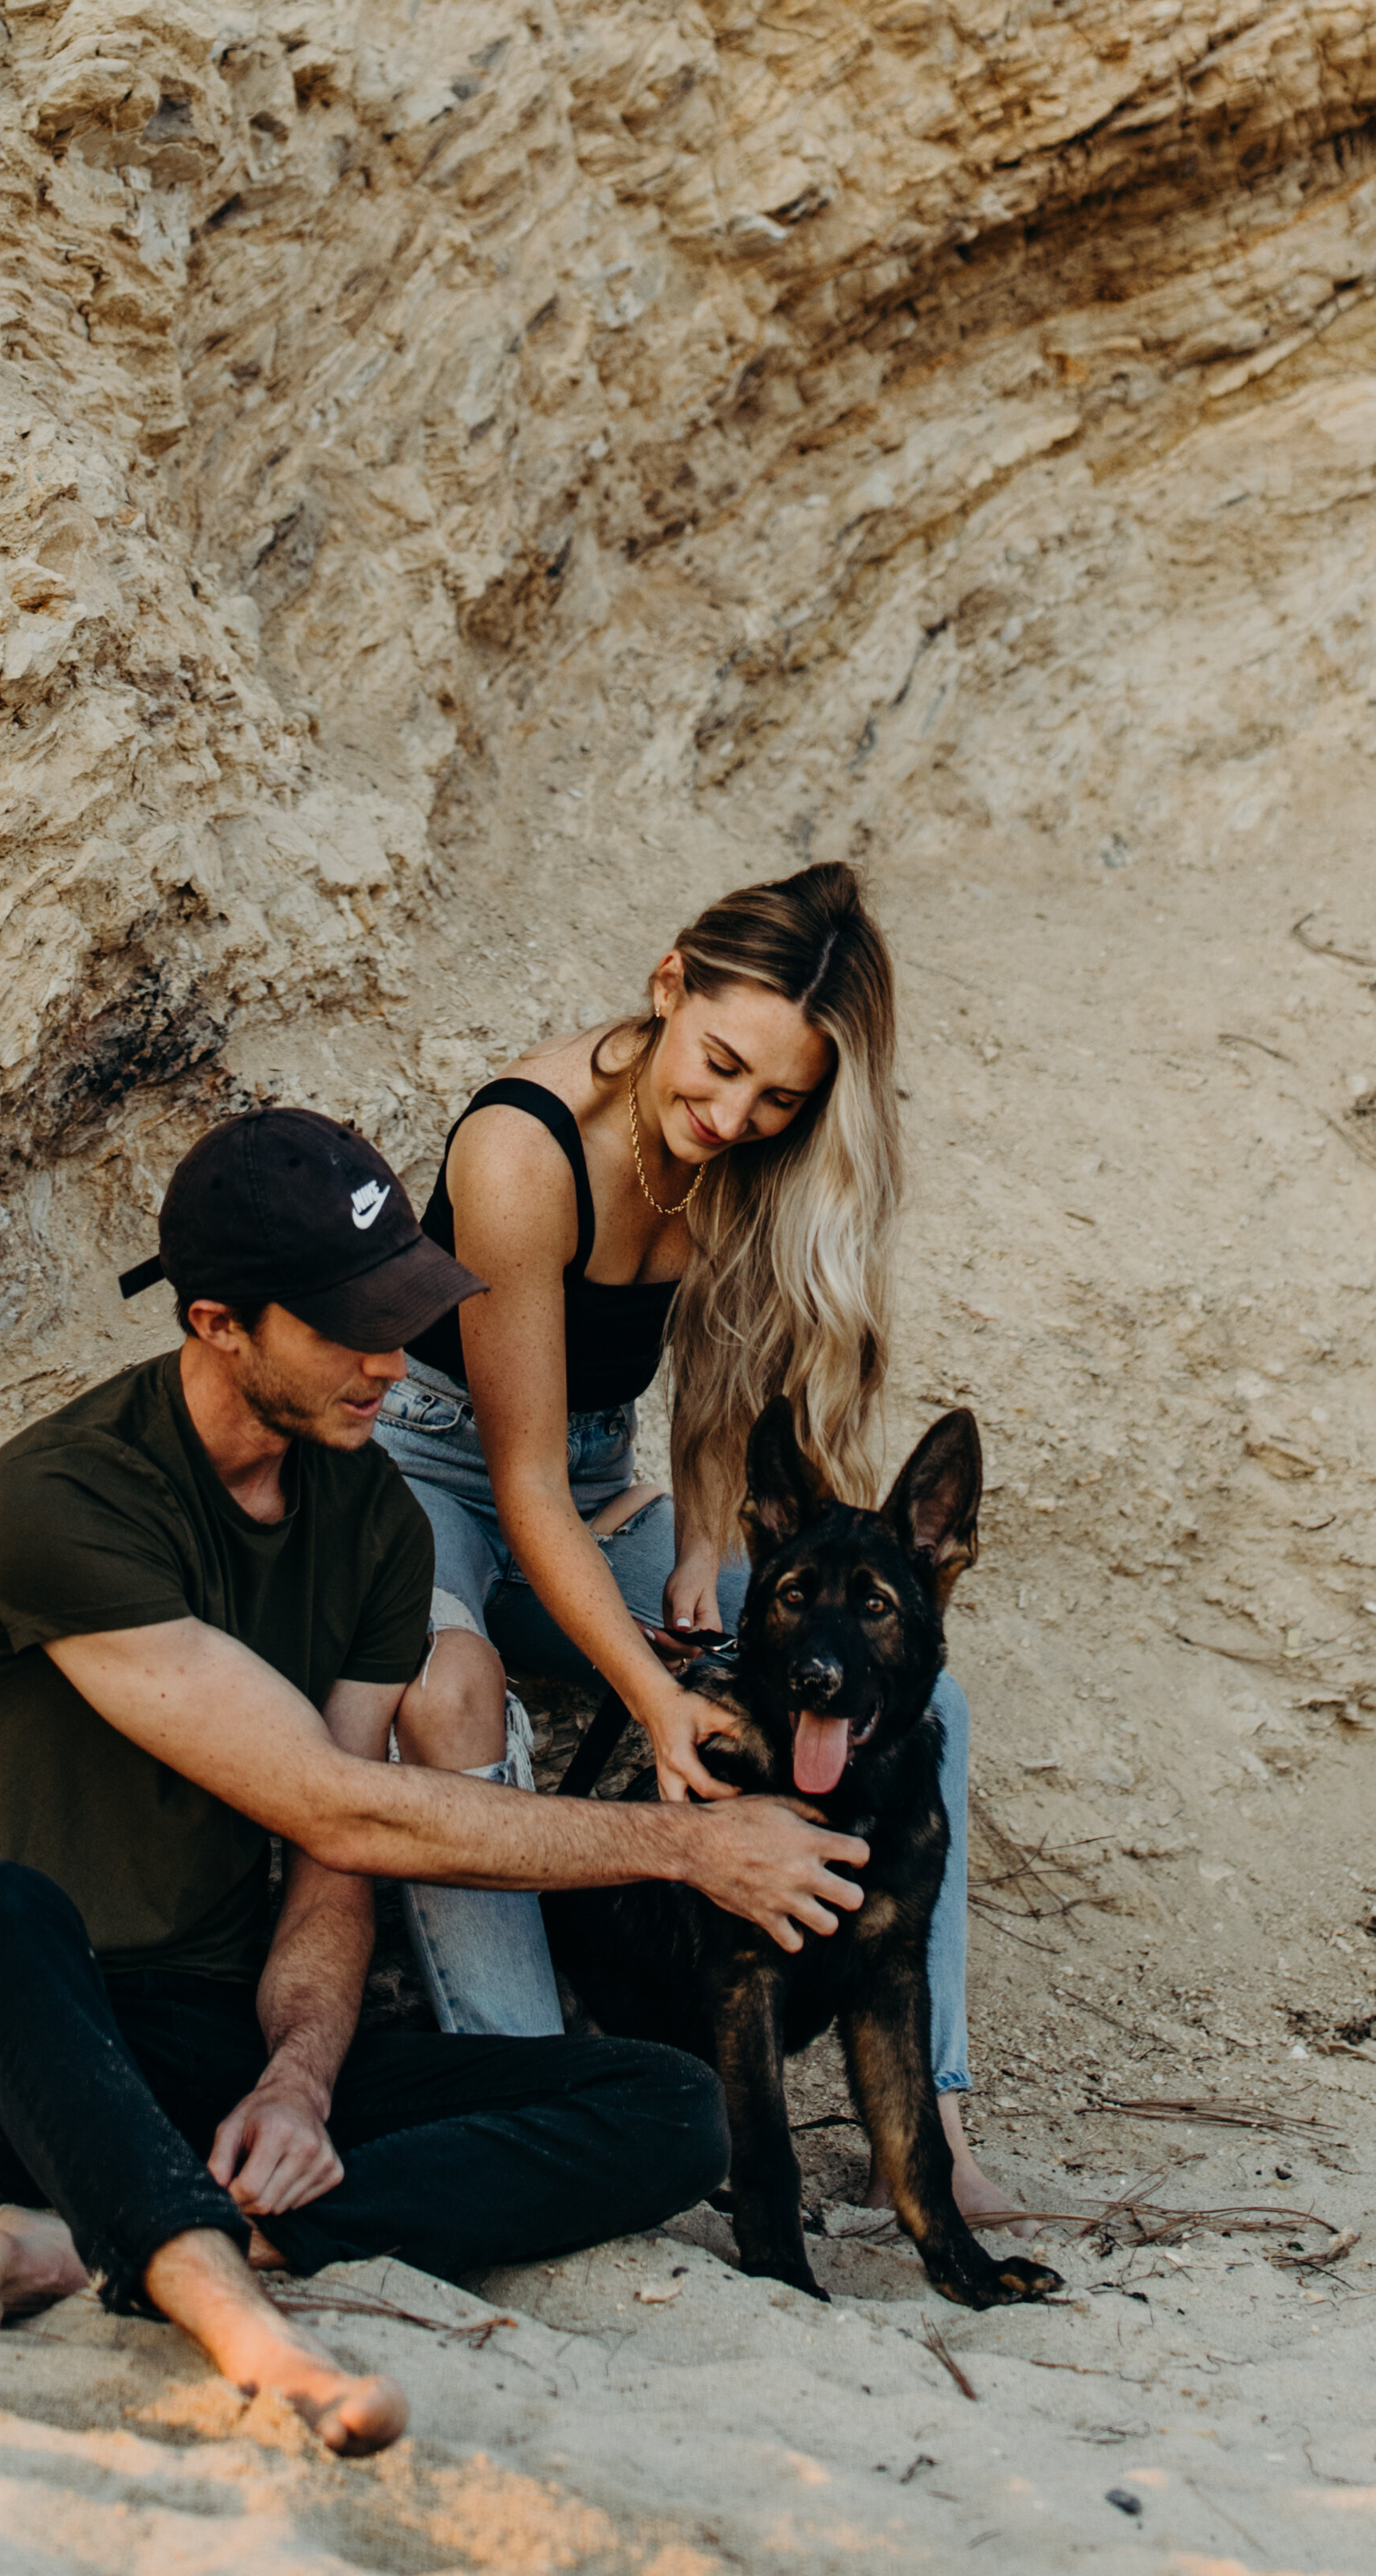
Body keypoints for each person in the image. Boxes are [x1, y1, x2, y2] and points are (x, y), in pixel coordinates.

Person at [0, 1107, 871, 2456]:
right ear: (218, 1324)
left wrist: (301, 2078)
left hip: (193, 2043)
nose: (391, 1361)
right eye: (347, 1328)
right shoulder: (64, 1507)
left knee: (664, 2110)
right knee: (3, 1908)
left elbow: (336, 1860)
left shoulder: (367, 1514)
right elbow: (329, 1800)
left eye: (400, 1313)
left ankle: (144, 2231)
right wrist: (685, 1848)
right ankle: (236, 2319)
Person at [377, 862, 1010, 2224]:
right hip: (424, 1466)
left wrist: (694, 1550)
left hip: (596, 1475)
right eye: (718, 1065)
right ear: (668, 987)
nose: (734, 1115)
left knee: (928, 1688)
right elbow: (517, 1481)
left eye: (780, 1097)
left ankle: (941, 2127)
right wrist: (656, 1696)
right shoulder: (521, 1149)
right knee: (450, 1689)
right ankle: (534, 2083)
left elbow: (717, 1386)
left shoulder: (746, 1155)